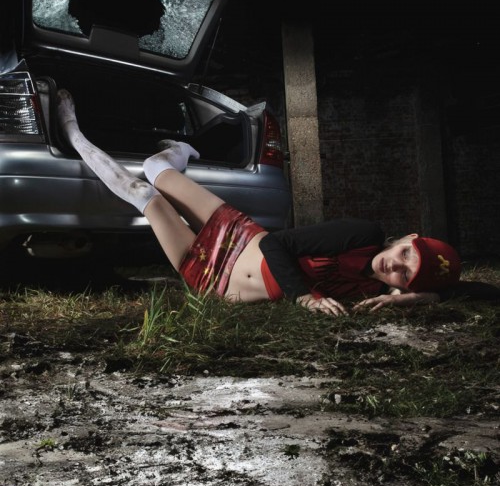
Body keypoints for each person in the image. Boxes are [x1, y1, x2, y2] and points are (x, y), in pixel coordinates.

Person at [57, 89, 499, 316]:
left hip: (213, 283)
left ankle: (76, 134)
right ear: (406, 237)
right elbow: (275, 245)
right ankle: (89, 131)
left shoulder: (380, 294)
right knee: (154, 170)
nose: (395, 266)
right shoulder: (364, 235)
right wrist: (304, 297)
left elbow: (482, 292)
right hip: (240, 235)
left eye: (406, 274)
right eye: (405, 253)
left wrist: (420, 299)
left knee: (145, 197)